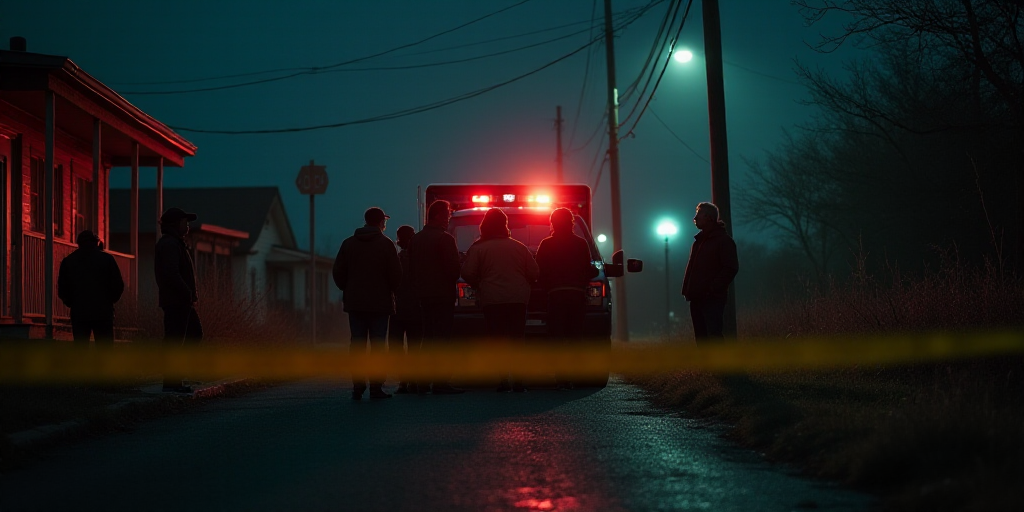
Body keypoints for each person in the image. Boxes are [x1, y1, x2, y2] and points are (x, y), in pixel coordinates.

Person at [461, 208, 539, 392]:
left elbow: (467, 272)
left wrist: (479, 284)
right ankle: (519, 380)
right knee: (517, 338)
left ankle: (503, 379)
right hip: (518, 299)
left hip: (492, 299)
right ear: (505, 225)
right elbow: (534, 272)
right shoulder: (519, 247)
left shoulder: (479, 248)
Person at [333, 207, 402, 400]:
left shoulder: (349, 244)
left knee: (357, 344)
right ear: (381, 222)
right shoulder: (386, 244)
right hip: (380, 304)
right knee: (378, 344)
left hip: (355, 303)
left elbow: (338, 272)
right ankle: (376, 386)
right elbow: (396, 275)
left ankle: (358, 385)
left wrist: (348, 289)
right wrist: (390, 291)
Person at [535, 208, 598, 389]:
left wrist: (547, 286)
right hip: (577, 294)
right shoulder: (580, 244)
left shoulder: (546, 244)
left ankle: (560, 375)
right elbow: (587, 269)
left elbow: (539, 270)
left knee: (557, 335)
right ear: (571, 223)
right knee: (575, 335)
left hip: (555, 294)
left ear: (552, 223)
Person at [408, 200, 465, 395]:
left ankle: (423, 382)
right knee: (442, 338)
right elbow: (453, 270)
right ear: (439, 215)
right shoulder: (445, 239)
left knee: (427, 337)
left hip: (423, 295)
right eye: (448, 213)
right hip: (442, 295)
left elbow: (410, 268)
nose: (449, 217)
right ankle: (440, 381)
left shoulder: (416, 239)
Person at [155, 207, 203, 393]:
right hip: (176, 301)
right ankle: (172, 381)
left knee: (192, 334)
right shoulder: (169, 245)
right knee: (176, 340)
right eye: (185, 222)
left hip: (182, 301)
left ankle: (175, 378)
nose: (188, 226)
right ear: (176, 224)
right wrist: (187, 292)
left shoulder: (176, 243)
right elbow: (171, 273)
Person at [680, 202, 739, 340]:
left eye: (699, 214)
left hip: (712, 299)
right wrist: (688, 290)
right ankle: (706, 362)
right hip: (696, 298)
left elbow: (731, 268)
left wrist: (712, 289)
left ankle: (720, 361)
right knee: (702, 338)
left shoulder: (723, 241)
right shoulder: (699, 242)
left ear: (709, 218)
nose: (695, 218)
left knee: (713, 337)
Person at [57, 230, 125, 345]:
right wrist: (110, 301)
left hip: (79, 311)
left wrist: (71, 302)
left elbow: (63, 287)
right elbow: (118, 284)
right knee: (105, 349)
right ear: (96, 243)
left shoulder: (69, 261)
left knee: (81, 349)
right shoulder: (107, 259)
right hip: (103, 311)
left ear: (79, 243)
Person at [390, 225, 422, 394]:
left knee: (396, 346)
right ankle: (415, 379)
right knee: (415, 345)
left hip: (397, 308)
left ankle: (403, 380)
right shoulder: (420, 261)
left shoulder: (396, 259)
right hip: (416, 307)